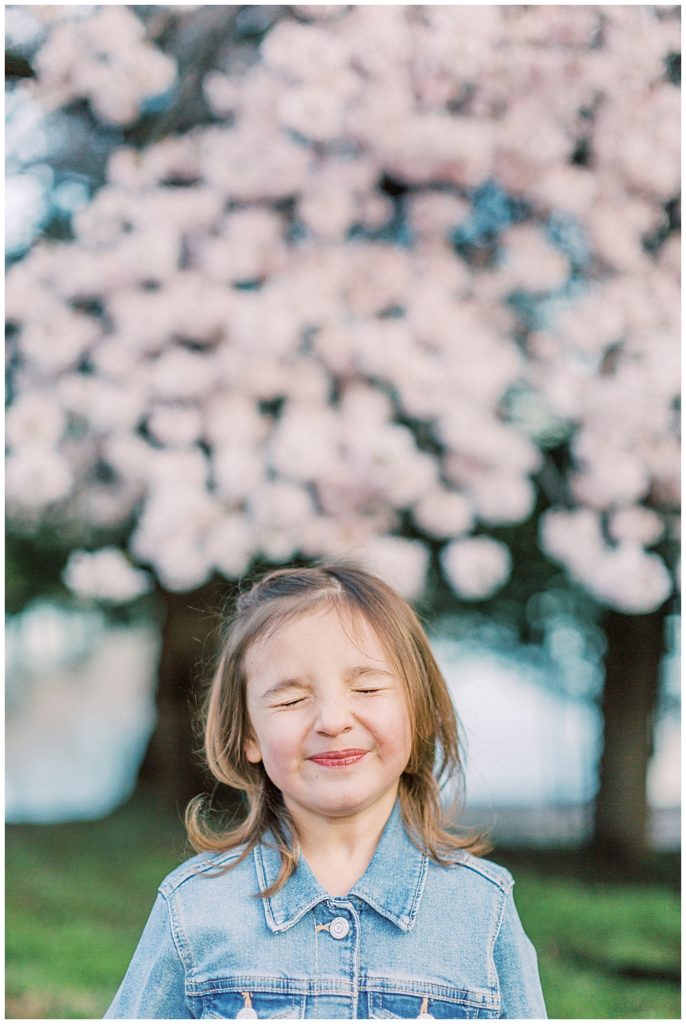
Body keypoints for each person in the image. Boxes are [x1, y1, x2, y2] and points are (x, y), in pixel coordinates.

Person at [105, 561, 547, 1019]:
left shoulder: (482, 908)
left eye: (368, 688)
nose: (333, 721)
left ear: (418, 712)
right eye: (291, 700)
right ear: (250, 736)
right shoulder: (193, 909)